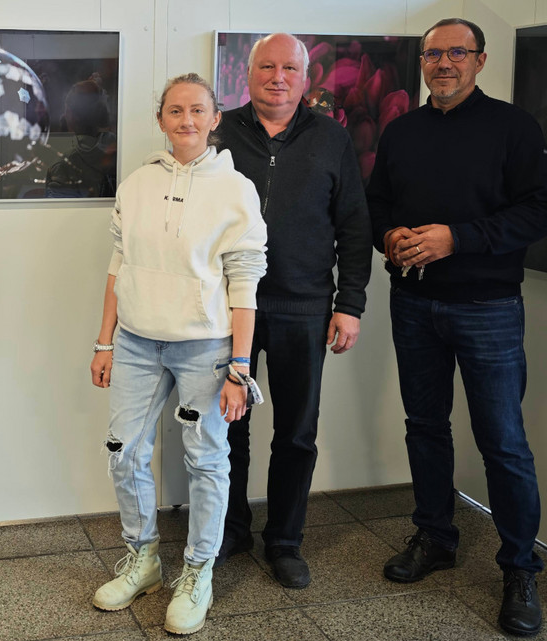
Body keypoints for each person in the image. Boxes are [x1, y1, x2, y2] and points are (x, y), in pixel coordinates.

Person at [367, 18, 547, 637]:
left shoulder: (513, 127)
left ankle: (519, 568)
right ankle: (436, 536)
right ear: (422, 62)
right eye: (433, 53)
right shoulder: (401, 131)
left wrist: (459, 239)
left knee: (502, 441)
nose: (444, 63)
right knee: (424, 426)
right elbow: (377, 206)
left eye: (457, 52)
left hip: (489, 309)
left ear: (479, 60)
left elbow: (542, 209)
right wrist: (389, 237)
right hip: (413, 304)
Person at [89, 73, 267, 636]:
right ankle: (143, 559)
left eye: (198, 110)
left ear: (216, 119)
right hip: (138, 342)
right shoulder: (137, 182)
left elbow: (245, 282)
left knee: (206, 460)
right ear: (161, 119)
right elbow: (120, 265)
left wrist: (240, 367)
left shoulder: (235, 188)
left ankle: (197, 572)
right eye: (174, 111)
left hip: (206, 349)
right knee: (124, 450)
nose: (186, 120)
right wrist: (104, 341)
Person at [214, 33, 371, 589]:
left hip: (304, 307)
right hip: (228, 309)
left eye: (289, 68)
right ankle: (230, 530)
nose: (277, 77)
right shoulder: (218, 132)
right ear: (249, 73)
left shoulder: (331, 138)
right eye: (266, 66)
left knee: (297, 432)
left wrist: (349, 305)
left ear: (306, 79)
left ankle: (284, 541)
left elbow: (354, 226)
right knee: (226, 429)